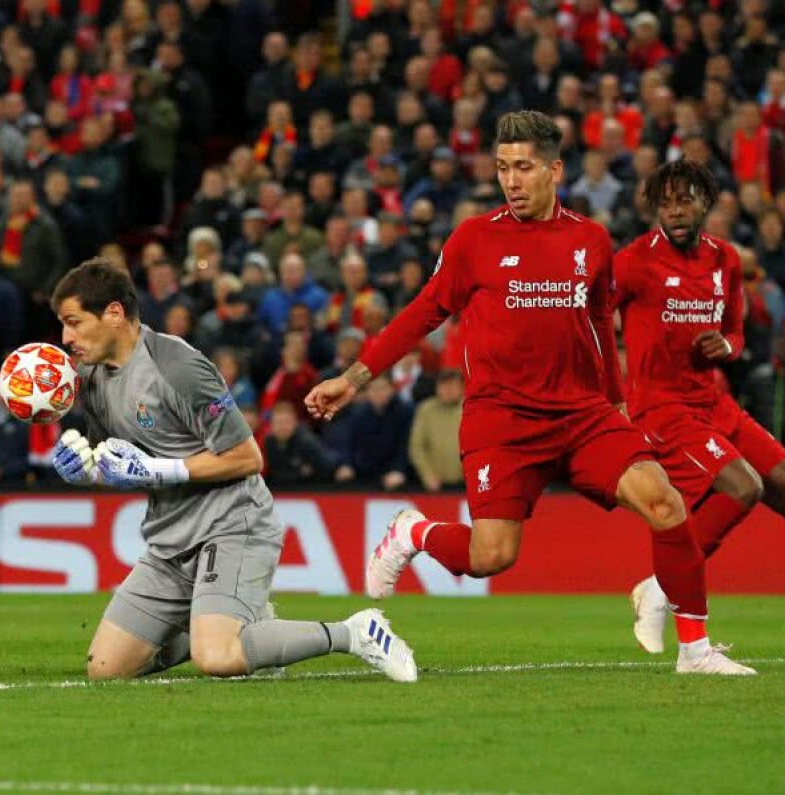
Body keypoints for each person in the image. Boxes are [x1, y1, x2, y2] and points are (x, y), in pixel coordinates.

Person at [306, 111, 753, 676]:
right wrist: (352, 378)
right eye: (502, 168)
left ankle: (695, 651)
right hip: (504, 420)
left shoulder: (590, 239)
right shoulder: (475, 238)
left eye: (523, 168)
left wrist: (616, 402)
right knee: (491, 556)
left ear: (555, 170)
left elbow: (599, 323)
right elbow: (422, 313)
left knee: (665, 503)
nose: (511, 181)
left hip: (583, 415)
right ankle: (413, 532)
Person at [49, 258, 416, 682]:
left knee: (217, 658)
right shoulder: (93, 379)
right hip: (169, 542)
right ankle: (240, 625)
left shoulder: (177, 367)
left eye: (73, 322)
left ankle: (355, 632)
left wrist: (160, 470)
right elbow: (123, 465)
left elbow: (247, 458)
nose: (66, 338)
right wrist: (87, 471)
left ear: (113, 313)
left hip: (232, 524)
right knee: (104, 670)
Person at [615, 159, 785, 654]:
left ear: (705, 204)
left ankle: (657, 587)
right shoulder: (634, 261)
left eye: (685, 201)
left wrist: (728, 346)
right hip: (660, 406)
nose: (675, 211)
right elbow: (590, 314)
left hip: (711, 400)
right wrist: (609, 386)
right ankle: (665, 586)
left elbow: (735, 330)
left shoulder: (725, 260)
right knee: (744, 486)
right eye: (666, 203)